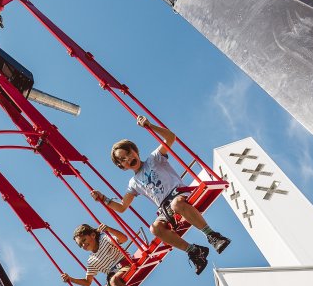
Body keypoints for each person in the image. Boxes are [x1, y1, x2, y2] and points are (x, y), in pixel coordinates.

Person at [91, 116, 230, 276]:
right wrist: (104, 199)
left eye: (129, 153)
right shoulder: (133, 183)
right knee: (155, 228)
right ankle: (194, 251)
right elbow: (122, 207)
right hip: (164, 207)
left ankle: (212, 235)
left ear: (136, 151)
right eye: (123, 159)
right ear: (121, 166)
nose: (128, 158)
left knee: (176, 204)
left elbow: (171, 138)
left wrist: (150, 126)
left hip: (178, 194)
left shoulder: (154, 158)